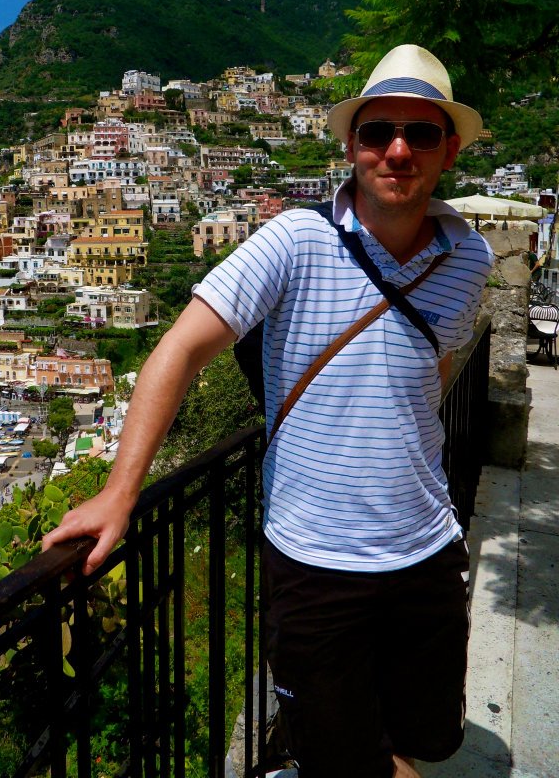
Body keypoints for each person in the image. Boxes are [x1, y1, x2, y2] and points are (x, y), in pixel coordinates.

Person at [43, 45, 494, 778]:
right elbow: (180, 350)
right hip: (317, 565)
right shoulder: (294, 241)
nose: (399, 151)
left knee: (425, 737)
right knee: (341, 758)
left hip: (428, 551)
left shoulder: (468, 259)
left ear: (449, 153)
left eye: (423, 134)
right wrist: (121, 492)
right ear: (352, 145)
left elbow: (433, 369)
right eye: (379, 132)